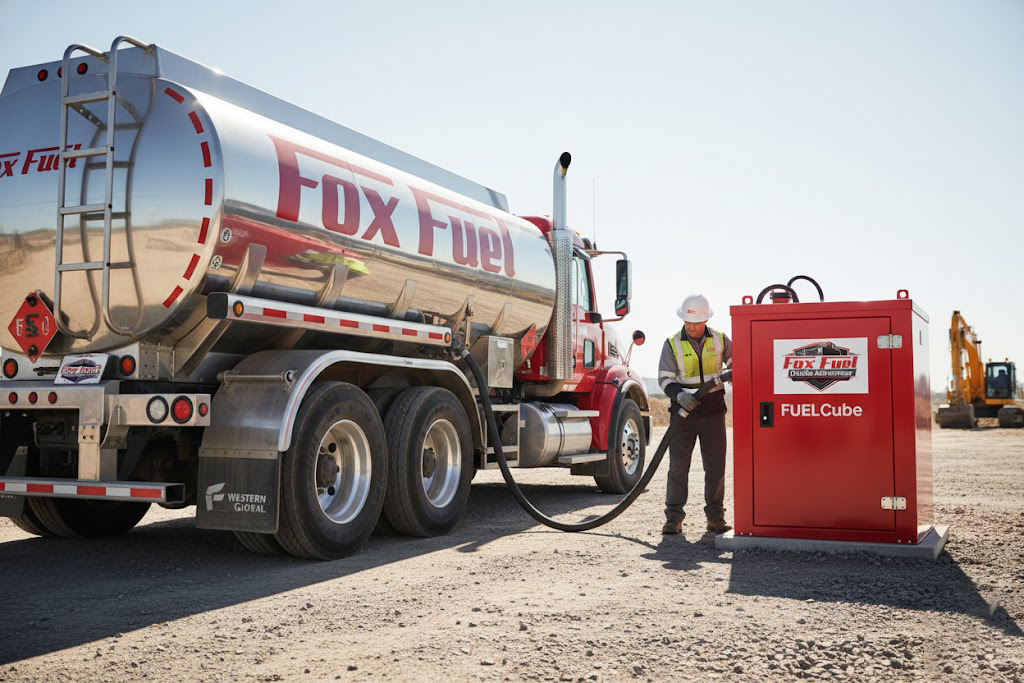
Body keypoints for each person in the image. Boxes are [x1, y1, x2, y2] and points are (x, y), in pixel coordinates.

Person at [657, 294, 733, 535]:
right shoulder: (672, 343)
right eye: (688, 322)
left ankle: (715, 517)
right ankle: (674, 518)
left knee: (716, 467)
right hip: (683, 413)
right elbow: (665, 379)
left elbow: (738, 364)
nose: (691, 327)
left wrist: (731, 373)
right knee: (678, 467)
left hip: (713, 411)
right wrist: (680, 396)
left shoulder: (721, 340)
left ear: (706, 320)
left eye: (696, 323)